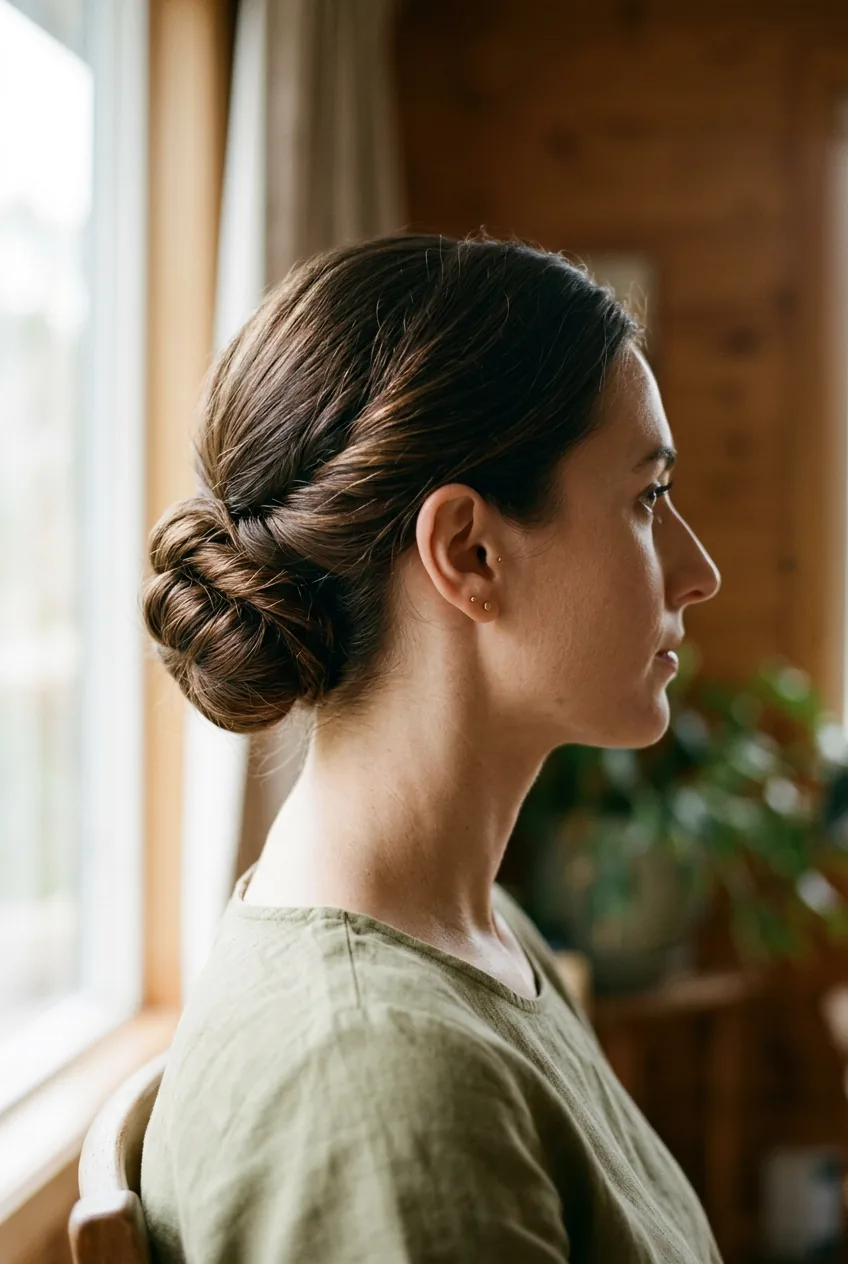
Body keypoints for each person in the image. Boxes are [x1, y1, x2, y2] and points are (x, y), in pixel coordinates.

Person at [139, 231, 723, 1262]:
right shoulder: (373, 1082)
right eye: (643, 499)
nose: (697, 571)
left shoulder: (477, 930)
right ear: (468, 552)